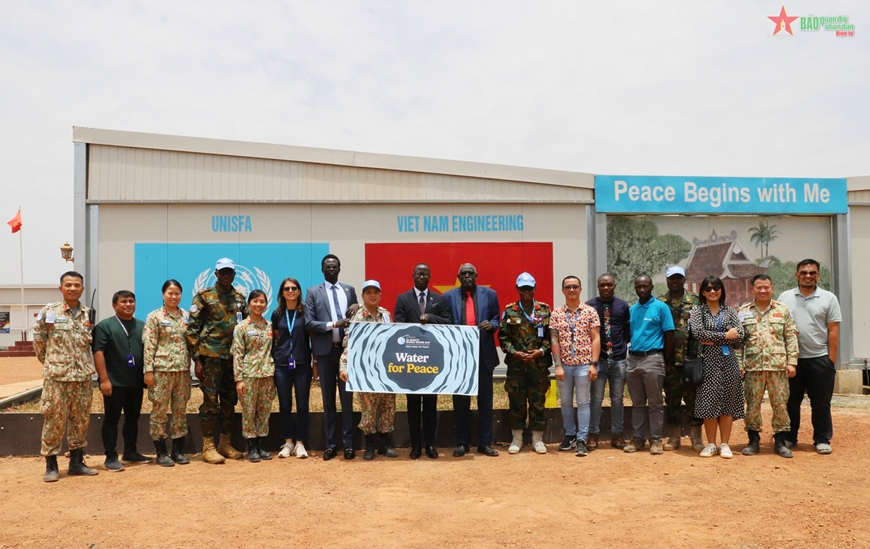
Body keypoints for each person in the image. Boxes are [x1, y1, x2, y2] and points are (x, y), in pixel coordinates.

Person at [33, 271, 98, 482]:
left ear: (82, 289)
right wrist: (53, 363)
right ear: (60, 288)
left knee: (80, 421)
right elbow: (40, 342)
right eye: (68, 285)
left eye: (77, 285)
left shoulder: (88, 313)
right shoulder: (49, 312)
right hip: (57, 379)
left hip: (82, 378)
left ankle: (77, 463)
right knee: (54, 420)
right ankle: (51, 465)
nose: (73, 288)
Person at [777, 259, 842, 455]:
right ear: (797, 275)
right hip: (792, 361)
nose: (808, 276)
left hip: (819, 358)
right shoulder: (785, 297)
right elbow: (779, 328)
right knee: (791, 401)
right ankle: (790, 437)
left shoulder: (829, 298)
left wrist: (830, 361)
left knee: (821, 402)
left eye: (812, 273)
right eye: (804, 272)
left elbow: (833, 331)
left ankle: (822, 439)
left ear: (818, 276)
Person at [187, 257, 248, 464]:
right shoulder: (204, 297)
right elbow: (193, 329)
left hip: (233, 359)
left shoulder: (240, 298)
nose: (226, 276)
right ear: (216, 274)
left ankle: (225, 443)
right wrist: (197, 359)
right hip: (210, 357)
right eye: (222, 272)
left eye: (229, 272)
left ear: (234, 274)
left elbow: (246, 327)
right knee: (210, 402)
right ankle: (208, 446)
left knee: (230, 402)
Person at [393, 263, 453, 459]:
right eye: (418, 273)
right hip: (411, 361)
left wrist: (431, 317)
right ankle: (415, 447)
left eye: (425, 273)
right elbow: (398, 326)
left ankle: (431, 446)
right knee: (412, 406)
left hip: (431, 361)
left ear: (430, 276)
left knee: (430, 406)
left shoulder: (439, 299)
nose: (421, 276)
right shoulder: (402, 299)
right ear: (412, 275)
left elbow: (449, 321)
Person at [737, 274, 799, 458]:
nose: (763, 291)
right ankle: (753, 440)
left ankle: (780, 441)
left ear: (772, 288)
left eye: (766, 287)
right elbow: (739, 342)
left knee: (780, 405)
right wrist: (739, 364)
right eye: (759, 287)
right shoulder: (743, 311)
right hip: (753, 368)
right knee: (752, 405)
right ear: (752, 289)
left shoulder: (783, 310)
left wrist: (792, 362)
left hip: (778, 367)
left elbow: (791, 337)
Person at [304, 254, 358, 460]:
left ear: (340, 268)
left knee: (347, 400)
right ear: (322, 269)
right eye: (327, 267)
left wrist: (358, 305)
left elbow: (356, 319)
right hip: (325, 353)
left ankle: (349, 445)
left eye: (334, 266)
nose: (331, 269)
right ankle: (330, 444)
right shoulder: (312, 292)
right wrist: (333, 325)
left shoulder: (349, 290)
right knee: (328, 401)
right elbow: (309, 323)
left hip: (345, 353)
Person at [443, 263, 501, 457]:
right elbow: (444, 321)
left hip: (483, 355)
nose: (467, 276)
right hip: (459, 358)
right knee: (460, 402)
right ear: (458, 277)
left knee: (485, 402)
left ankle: (485, 443)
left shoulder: (490, 295)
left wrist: (491, 325)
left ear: (477, 275)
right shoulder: (448, 296)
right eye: (463, 274)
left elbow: (496, 318)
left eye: (470, 273)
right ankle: (462, 442)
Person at [340, 280, 397, 460]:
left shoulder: (386, 315)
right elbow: (350, 343)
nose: (372, 295)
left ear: (380, 295)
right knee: (368, 408)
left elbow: (394, 340)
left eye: (375, 292)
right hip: (365, 371)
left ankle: (384, 444)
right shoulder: (357, 316)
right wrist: (344, 366)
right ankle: (369, 445)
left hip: (386, 370)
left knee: (387, 407)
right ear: (363, 296)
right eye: (368, 292)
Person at [688, 276, 745, 459]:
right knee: (709, 402)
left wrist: (713, 339)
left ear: (722, 290)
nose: (713, 292)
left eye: (716, 288)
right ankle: (711, 443)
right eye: (708, 288)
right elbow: (698, 333)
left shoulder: (729, 311)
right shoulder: (698, 311)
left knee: (727, 403)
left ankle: (724, 444)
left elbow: (740, 334)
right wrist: (725, 336)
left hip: (729, 363)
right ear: (702, 292)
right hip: (708, 362)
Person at [92, 290, 149, 471]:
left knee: (133, 419)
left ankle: (130, 452)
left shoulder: (142, 326)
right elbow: (98, 352)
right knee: (111, 420)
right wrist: (104, 380)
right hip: (114, 383)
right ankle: (110, 457)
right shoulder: (105, 326)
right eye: (123, 301)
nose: (128, 304)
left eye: (131, 301)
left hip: (135, 382)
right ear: (114, 305)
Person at [499, 272, 552, 455]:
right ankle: (517, 438)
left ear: (535, 288)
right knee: (517, 402)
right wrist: (515, 353)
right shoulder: (510, 310)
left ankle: (537, 438)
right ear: (517, 289)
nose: (526, 292)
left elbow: (550, 337)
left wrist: (541, 352)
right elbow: (503, 338)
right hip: (517, 366)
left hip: (538, 366)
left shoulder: (544, 310)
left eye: (529, 288)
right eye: (523, 289)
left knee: (538, 402)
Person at [142, 279, 192, 467]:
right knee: (160, 411)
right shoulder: (154, 317)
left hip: (182, 371)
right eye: (170, 293)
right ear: (163, 294)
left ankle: (177, 450)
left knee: (180, 410)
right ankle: (161, 451)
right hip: (161, 370)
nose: (174, 296)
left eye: (177, 293)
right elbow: (149, 344)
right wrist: (148, 370)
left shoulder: (186, 316)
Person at [550, 275, 600, 457]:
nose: (572, 290)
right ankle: (570, 435)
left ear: (580, 289)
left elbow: (596, 339)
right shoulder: (556, 314)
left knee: (583, 402)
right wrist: (557, 366)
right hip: (564, 366)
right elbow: (554, 340)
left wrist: (593, 364)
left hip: (583, 365)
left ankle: (581, 439)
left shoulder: (590, 312)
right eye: (568, 287)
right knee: (565, 403)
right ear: (562, 290)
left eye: (575, 287)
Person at [625, 275, 674, 455]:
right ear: (635, 288)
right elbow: (628, 334)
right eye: (639, 286)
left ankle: (655, 439)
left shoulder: (661, 307)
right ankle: (638, 438)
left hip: (653, 358)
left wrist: (664, 359)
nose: (642, 289)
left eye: (645, 286)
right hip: (633, 359)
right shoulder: (632, 309)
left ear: (651, 287)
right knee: (637, 403)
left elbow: (669, 335)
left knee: (655, 402)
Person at [658, 266, 704, 452]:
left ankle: (696, 438)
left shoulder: (695, 301)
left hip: (691, 359)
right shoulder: (660, 302)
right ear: (667, 280)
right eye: (672, 278)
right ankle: (674, 437)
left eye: (678, 278)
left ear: (684, 280)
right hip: (669, 360)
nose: (675, 281)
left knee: (694, 399)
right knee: (672, 399)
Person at [586, 273, 630, 450]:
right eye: (602, 285)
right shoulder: (590, 306)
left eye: (609, 285)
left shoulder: (622, 306)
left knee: (617, 399)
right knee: (595, 399)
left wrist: (620, 348)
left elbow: (627, 331)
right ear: (598, 286)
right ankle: (593, 434)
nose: (606, 288)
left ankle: (617, 434)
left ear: (614, 285)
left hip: (618, 360)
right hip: (598, 361)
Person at [232, 290, 277, 462]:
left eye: (262, 302)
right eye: (255, 301)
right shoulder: (242, 327)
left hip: (267, 374)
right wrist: (239, 379)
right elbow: (237, 354)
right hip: (248, 375)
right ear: (249, 304)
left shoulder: (269, 326)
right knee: (249, 411)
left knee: (264, 411)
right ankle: (251, 446)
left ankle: (262, 445)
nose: (258, 305)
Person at [271, 277, 313, 459]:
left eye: (294, 288)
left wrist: (316, 362)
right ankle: (288, 442)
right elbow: (276, 337)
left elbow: (311, 337)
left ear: (298, 291)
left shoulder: (305, 313)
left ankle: (300, 443)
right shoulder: (277, 314)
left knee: (302, 405)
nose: (290, 291)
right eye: (286, 288)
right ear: (282, 292)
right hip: (282, 364)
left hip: (302, 364)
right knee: (285, 405)